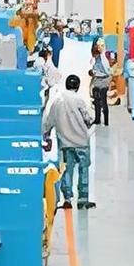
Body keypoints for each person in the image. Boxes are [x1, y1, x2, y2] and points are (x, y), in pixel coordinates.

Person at [42, 75, 96, 210]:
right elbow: (88, 119)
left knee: (67, 170)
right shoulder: (79, 100)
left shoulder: (57, 101)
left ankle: (67, 198)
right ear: (77, 86)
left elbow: (48, 122)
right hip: (82, 142)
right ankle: (83, 199)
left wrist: (46, 136)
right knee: (83, 170)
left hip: (65, 143)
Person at [90, 38, 112, 126]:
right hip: (98, 80)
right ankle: (98, 119)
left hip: (103, 80)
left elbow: (107, 71)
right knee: (97, 101)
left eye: (102, 46)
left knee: (103, 100)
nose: (100, 47)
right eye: (99, 46)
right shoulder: (96, 58)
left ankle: (105, 121)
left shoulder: (103, 58)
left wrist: (97, 73)